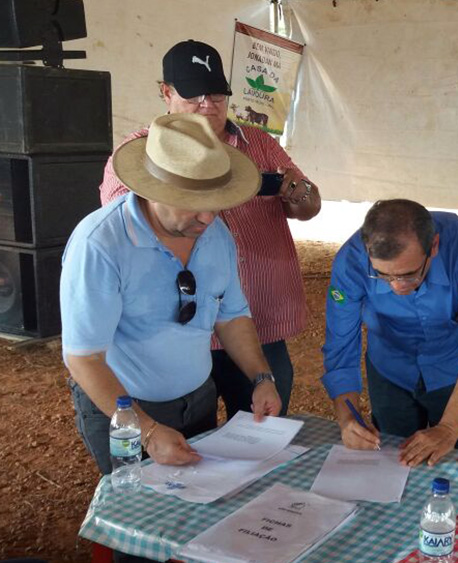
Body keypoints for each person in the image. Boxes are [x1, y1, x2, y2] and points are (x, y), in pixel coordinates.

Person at [99, 40, 321, 419]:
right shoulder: (139, 156)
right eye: (194, 94)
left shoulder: (259, 144)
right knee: (190, 449)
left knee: (261, 434)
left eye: (217, 93)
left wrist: (297, 192)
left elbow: (310, 204)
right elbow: (126, 235)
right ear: (166, 92)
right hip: (179, 334)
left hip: (256, 324)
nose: (208, 103)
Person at [62, 113, 282, 476]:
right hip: (127, 410)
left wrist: (261, 378)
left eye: (216, 203)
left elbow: (232, 316)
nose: (208, 218)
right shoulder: (101, 244)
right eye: (193, 203)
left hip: (197, 399)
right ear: (152, 191)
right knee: (139, 513)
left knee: (196, 506)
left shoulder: (216, 234)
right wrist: (145, 431)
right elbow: (84, 357)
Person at [321, 199, 458, 470]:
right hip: (390, 367)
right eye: (383, 276)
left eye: (408, 275)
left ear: (434, 247)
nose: (397, 286)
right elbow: (341, 344)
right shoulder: (351, 260)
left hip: (454, 368)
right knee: (394, 462)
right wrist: (347, 417)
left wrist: (449, 428)